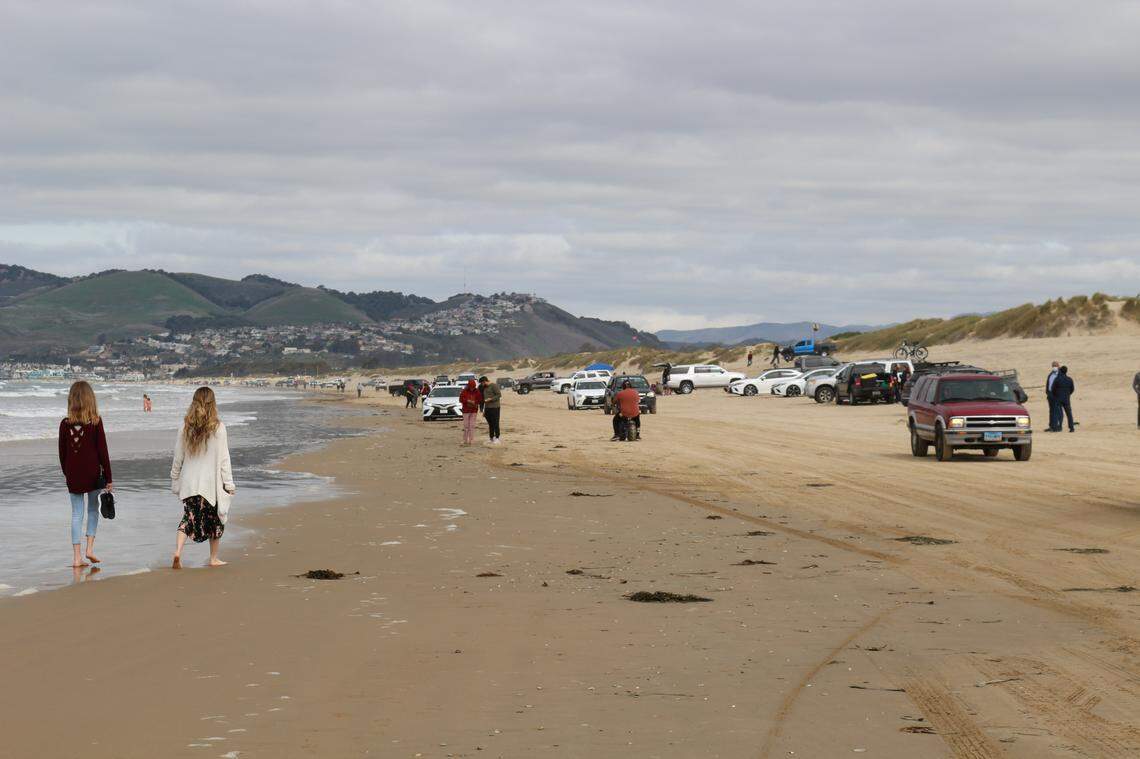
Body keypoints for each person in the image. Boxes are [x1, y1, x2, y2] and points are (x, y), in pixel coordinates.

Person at [170, 387, 236, 568]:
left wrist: (174, 479)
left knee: (188, 518)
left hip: (189, 484)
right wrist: (229, 484)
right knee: (216, 521)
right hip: (210, 486)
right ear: (213, 404)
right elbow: (224, 460)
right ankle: (214, 558)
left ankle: (177, 552)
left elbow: (178, 457)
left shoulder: (185, 427)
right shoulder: (219, 428)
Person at [58, 381, 113, 568]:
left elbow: (62, 454)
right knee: (92, 509)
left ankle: (76, 558)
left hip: (73, 475)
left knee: (76, 514)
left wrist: (68, 474)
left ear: (71, 400)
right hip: (93, 475)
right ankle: (90, 549)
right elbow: (103, 452)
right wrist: (109, 477)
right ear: (91, 399)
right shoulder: (96, 422)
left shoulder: (64, 424)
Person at [1051, 366, 1076, 432]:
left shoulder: (1057, 379)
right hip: (1066, 398)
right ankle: (1071, 428)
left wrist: (1055, 395)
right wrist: (1068, 394)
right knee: (1069, 413)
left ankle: (1056, 427)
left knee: (1056, 413)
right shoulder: (1069, 379)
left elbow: (1053, 389)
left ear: (1060, 371)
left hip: (1058, 398)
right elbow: (1072, 389)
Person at [479, 376, 502, 444]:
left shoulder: (494, 386)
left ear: (485, 381)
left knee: (496, 423)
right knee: (490, 424)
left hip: (495, 407)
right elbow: (483, 399)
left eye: (482, 383)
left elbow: (499, 395)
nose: (482, 384)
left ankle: (497, 438)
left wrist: (491, 399)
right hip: (487, 408)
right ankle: (491, 438)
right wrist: (483, 409)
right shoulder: (484, 388)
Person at [459, 379, 482, 446]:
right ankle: (465, 440)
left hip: (474, 410)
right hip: (466, 411)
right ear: (468, 386)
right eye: (471, 387)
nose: (472, 388)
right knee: (466, 426)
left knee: (472, 426)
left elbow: (480, 399)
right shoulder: (464, 391)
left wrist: (475, 402)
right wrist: (468, 401)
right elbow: (460, 399)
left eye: (473, 387)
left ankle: (471, 440)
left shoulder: (477, 391)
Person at [1045, 361, 1061, 432]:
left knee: (1056, 411)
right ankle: (1051, 426)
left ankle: (1056, 427)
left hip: (1057, 395)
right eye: (1053, 365)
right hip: (1050, 395)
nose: (1054, 367)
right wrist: (1048, 393)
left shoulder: (1060, 375)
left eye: (1055, 365)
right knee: (1051, 411)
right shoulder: (1051, 374)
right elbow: (1048, 384)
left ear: (1058, 366)